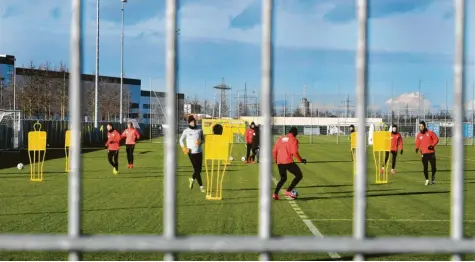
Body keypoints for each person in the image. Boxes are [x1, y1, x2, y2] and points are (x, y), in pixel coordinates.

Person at [272, 126, 307, 200]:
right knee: (299, 175)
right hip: (288, 162)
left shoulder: (281, 138)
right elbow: (294, 152)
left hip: (279, 161)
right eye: (296, 133)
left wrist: (276, 159)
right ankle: (288, 191)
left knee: (283, 178)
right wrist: (301, 160)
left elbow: (274, 150)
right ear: (294, 133)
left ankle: (275, 194)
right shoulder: (294, 140)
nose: (296, 135)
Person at [180, 115, 205, 192]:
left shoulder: (200, 130)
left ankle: (191, 179)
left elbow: (204, 140)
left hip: (199, 152)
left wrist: (201, 142)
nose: (193, 123)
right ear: (189, 123)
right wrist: (183, 147)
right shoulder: (186, 131)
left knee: (199, 170)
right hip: (191, 153)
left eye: (194, 121)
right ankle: (201, 187)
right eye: (191, 122)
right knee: (196, 170)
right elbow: (181, 140)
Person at [415, 121, 439, 185]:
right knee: (425, 168)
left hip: (431, 153)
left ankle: (433, 177)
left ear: (424, 126)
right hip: (424, 153)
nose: (421, 127)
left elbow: (436, 139)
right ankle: (427, 180)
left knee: (433, 167)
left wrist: (432, 145)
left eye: (422, 126)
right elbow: (417, 142)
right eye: (420, 126)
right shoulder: (419, 135)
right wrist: (417, 148)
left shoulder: (430, 132)